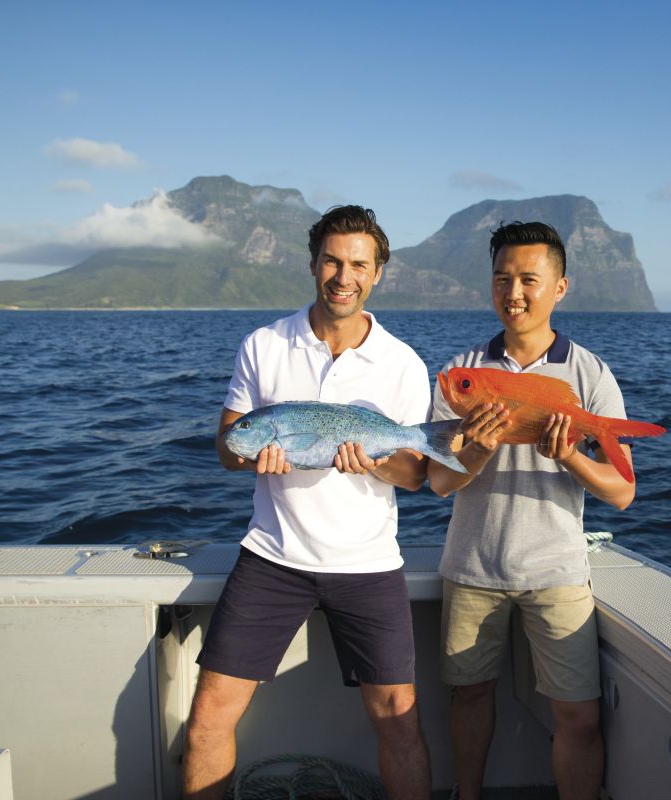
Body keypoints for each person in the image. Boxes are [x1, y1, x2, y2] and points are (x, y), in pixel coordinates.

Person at [183, 205, 432, 800]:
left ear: (377, 274)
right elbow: (228, 447)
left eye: (358, 265)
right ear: (313, 264)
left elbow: (415, 475)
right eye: (332, 261)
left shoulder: (402, 363)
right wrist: (253, 458)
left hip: (368, 564)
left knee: (399, 721)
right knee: (208, 718)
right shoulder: (264, 345)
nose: (344, 277)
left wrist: (374, 460)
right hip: (273, 559)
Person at [428, 221, 638, 800]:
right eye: (502, 279)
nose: (513, 292)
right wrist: (478, 449)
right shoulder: (463, 371)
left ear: (560, 288)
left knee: (580, 716)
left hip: (557, 571)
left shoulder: (589, 373)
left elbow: (622, 493)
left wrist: (568, 454)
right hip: (472, 567)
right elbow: (438, 482)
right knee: (469, 695)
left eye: (528, 279)